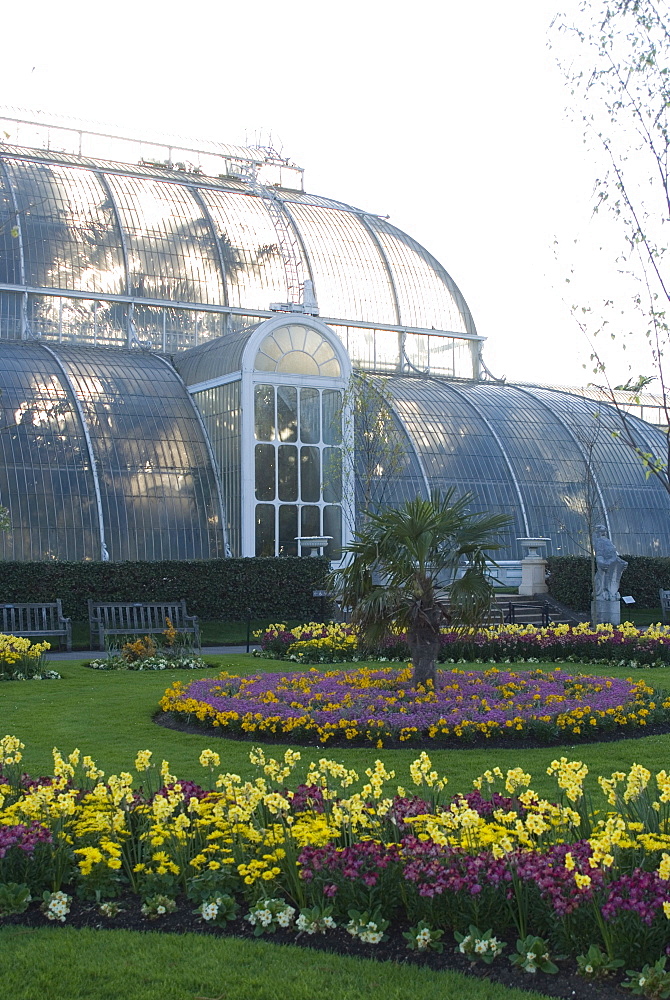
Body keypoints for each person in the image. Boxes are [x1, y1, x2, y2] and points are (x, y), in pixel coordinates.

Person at [592, 525, 627, 601]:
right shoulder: (598, 542)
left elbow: (614, 555)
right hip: (604, 565)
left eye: (604, 531)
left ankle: (612, 593)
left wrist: (623, 562)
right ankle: (603, 591)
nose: (603, 533)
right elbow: (599, 555)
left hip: (611, 563)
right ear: (597, 533)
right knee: (603, 576)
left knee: (613, 578)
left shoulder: (608, 541)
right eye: (601, 531)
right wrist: (601, 562)